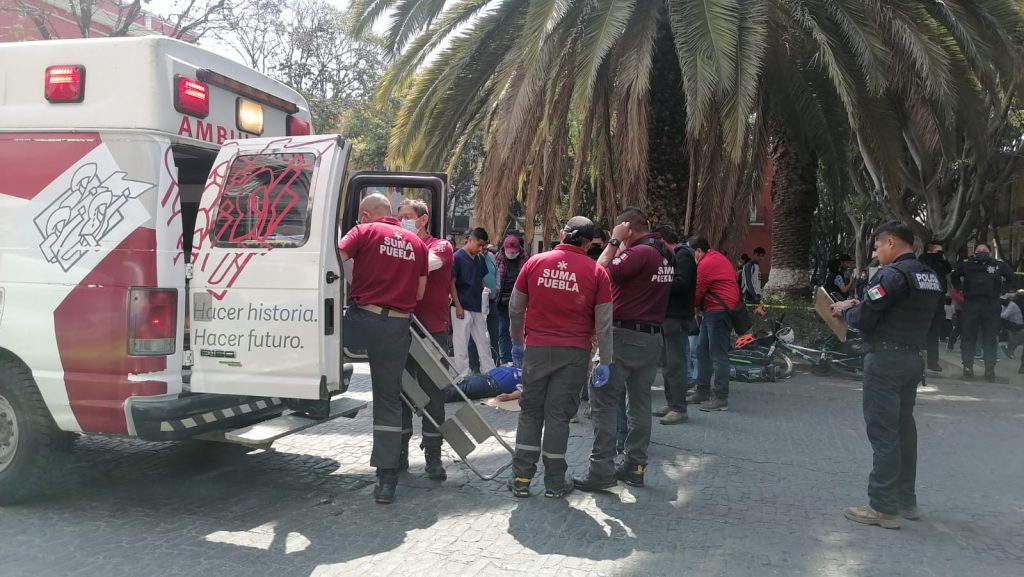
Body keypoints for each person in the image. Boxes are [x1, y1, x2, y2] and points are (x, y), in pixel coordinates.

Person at [830, 221, 942, 529]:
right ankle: (906, 501)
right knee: (905, 429)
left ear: (891, 242)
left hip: (885, 360)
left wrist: (846, 309)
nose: (876, 253)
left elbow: (865, 320)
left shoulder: (891, 275)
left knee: (884, 432)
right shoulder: (929, 276)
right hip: (912, 358)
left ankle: (882, 507)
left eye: (877, 247)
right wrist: (862, 304)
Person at [506, 216, 613, 498]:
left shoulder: (535, 263)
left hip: (537, 349)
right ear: (590, 244)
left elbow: (516, 308)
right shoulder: (596, 273)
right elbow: (603, 323)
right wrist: (605, 360)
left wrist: (517, 342)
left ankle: (521, 478)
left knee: (530, 411)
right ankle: (554, 483)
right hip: (575, 353)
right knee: (558, 416)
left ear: (563, 234)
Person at [338, 193, 428, 504]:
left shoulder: (363, 231)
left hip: (362, 322)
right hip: (397, 327)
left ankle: (312, 393)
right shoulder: (416, 243)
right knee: (388, 400)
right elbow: (419, 292)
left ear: (365, 215)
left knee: (317, 342)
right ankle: (386, 480)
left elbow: (334, 258)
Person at [574, 208, 672, 492]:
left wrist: (614, 242)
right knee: (640, 404)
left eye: (619, 228)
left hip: (624, 336)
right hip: (651, 339)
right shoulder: (666, 253)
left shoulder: (639, 253)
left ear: (627, 228)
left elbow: (599, 270)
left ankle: (601, 468)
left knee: (603, 401)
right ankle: (635, 466)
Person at [396, 199, 451, 481]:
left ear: (423, 219)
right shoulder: (400, 248)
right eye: (400, 216)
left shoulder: (440, 246)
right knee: (401, 395)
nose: (403, 220)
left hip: (433, 332)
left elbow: (423, 265)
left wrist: (395, 255)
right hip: (401, 330)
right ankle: (399, 454)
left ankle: (433, 455)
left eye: (408, 216)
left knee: (434, 397)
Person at [686, 236, 741, 412]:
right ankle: (702, 390)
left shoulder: (705, 264)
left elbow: (697, 291)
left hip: (718, 311)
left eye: (690, 253)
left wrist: (690, 308)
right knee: (702, 351)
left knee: (718, 355)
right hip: (715, 311)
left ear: (698, 251)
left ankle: (720, 398)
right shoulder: (716, 257)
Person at [652, 228, 697, 425]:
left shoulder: (683, 256)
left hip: (676, 319)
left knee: (676, 365)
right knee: (667, 365)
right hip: (666, 319)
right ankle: (672, 404)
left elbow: (681, 284)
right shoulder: (673, 257)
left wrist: (654, 282)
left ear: (663, 241)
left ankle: (679, 408)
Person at [950, 243, 1015, 381]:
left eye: (984, 250)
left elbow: (1010, 277)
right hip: (971, 304)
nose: (981, 253)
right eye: (978, 251)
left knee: (990, 338)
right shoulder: (967, 264)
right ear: (974, 253)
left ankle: (989, 369)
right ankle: (967, 367)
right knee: (968, 336)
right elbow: (954, 276)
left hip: (991, 304)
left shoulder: (998, 265)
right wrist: (959, 288)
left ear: (990, 252)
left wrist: (1003, 290)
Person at [450, 228, 496, 376]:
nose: (480, 249)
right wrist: (457, 306)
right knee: (461, 343)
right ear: (470, 239)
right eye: (479, 245)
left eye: (483, 246)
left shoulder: (480, 258)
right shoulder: (457, 257)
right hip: (462, 305)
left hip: (477, 305)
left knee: (484, 341)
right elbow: (452, 283)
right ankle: (462, 374)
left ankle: (490, 372)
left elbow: (478, 278)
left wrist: (485, 288)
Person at [918, 240, 952, 372]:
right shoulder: (922, 260)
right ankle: (919, 361)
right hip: (924, 300)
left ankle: (933, 362)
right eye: (938, 251)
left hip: (939, 300)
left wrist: (943, 258)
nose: (940, 254)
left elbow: (948, 269)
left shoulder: (942, 262)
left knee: (934, 333)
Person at [495, 235, 526, 365]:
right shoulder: (498, 257)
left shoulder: (525, 259)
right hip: (501, 300)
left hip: (518, 300)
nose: (511, 254)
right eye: (509, 252)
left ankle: (518, 359)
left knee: (518, 330)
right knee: (503, 329)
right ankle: (505, 358)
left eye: (514, 252)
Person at [444, 365, 522, 402]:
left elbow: (523, 392)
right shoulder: (528, 367)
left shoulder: (532, 380)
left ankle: (435, 399)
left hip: (491, 385)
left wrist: (509, 396)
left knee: (457, 391)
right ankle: (435, 390)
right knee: (455, 383)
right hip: (486, 376)